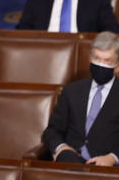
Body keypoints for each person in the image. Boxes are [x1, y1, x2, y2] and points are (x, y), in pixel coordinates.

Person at [42, 32, 119, 166]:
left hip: (106, 168)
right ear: (90, 59)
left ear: (117, 66)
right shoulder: (72, 90)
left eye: (107, 61)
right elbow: (52, 131)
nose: (101, 64)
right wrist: (61, 148)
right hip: (70, 161)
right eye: (97, 58)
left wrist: (112, 158)